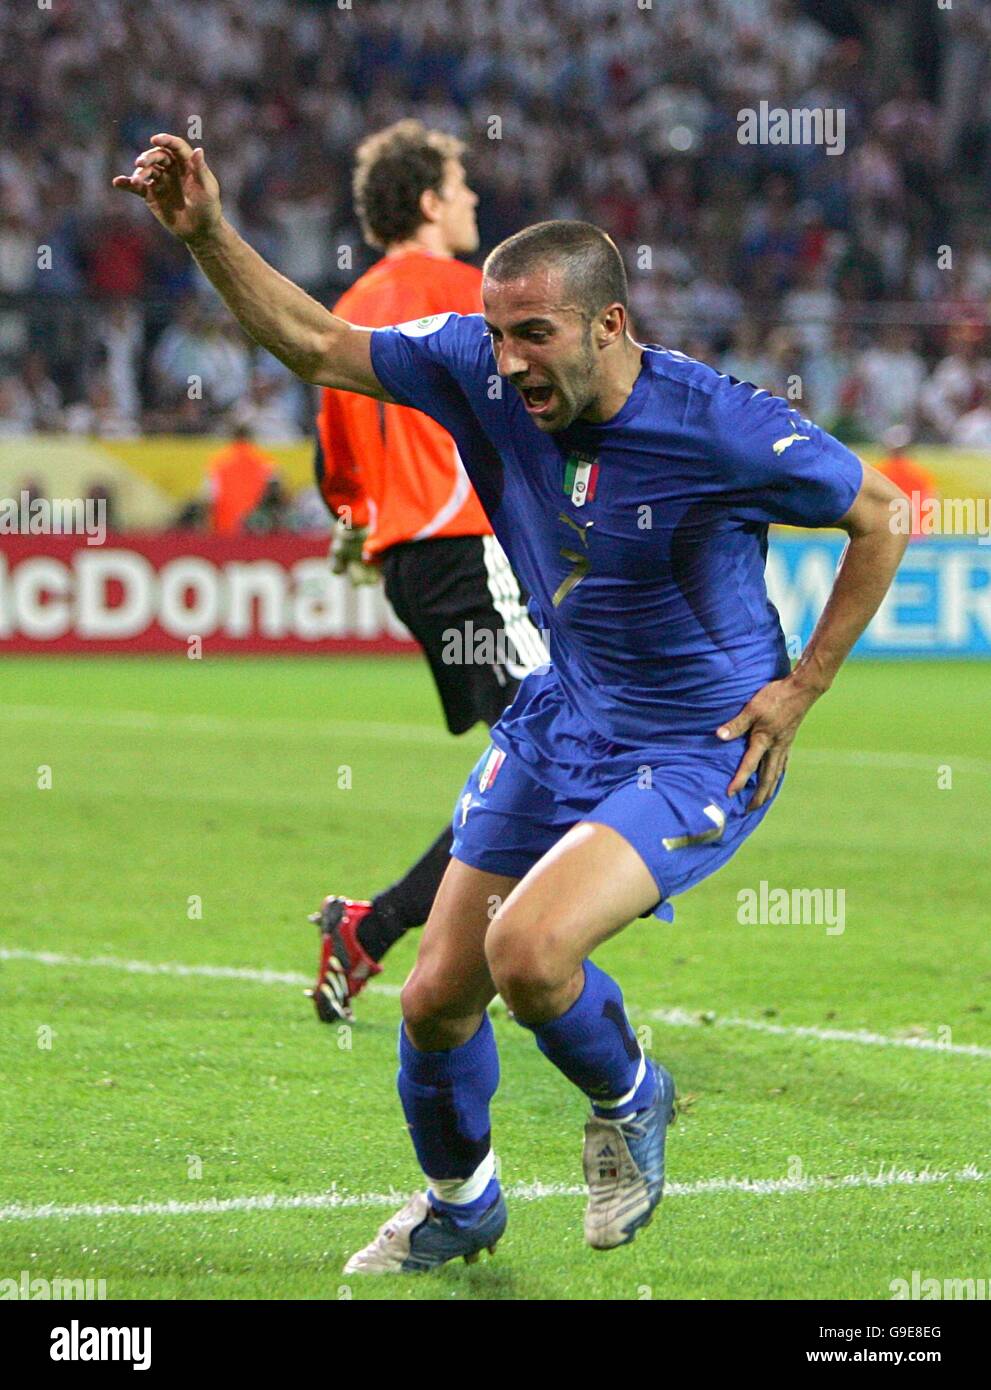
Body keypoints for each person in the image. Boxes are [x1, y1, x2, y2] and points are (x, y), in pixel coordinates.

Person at [114, 135, 908, 1272]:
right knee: (433, 999)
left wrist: (804, 685)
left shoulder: (718, 423)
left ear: (608, 327)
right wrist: (202, 234)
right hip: (564, 715)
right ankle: (462, 1203)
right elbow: (313, 341)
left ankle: (634, 1096)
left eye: (532, 334)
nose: (508, 359)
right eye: (495, 331)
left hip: (697, 747)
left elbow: (879, 513)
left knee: (531, 954)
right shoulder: (474, 374)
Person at [309, 120, 547, 1024]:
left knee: (544, 759)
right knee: (568, 757)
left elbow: (340, 471)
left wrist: (355, 521)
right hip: (471, 550)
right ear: (426, 202)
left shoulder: (345, 311)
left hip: (412, 564)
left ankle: (383, 934)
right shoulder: (469, 293)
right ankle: (421, 941)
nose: (475, 201)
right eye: (460, 186)